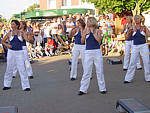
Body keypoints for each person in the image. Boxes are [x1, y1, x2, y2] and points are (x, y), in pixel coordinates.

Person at [78, 17, 107, 95]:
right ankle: (83, 89)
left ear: (93, 23)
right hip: (88, 52)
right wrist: (84, 35)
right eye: (87, 22)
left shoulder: (98, 31)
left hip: (97, 51)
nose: (87, 23)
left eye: (89, 22)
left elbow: (99, 41)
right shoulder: (85, 30)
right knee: (87, 71)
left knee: (99, 70)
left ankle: (102, 88)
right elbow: (82, 41)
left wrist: (92, 33)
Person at [2, 20, 31, 91]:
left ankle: (26, 86)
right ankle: (7, 85)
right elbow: (2, 41)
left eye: (13, 24)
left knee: (22, 69)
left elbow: (28, 40)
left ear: (17, 25)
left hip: (19, 52)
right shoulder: (9, 33)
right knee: (9, 68)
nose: (12, 26)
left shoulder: (21, 33)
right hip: (11, 52)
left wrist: (29, 35)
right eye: (11, 24)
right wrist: (7, 45)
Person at [124, 15, 150, 83]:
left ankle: (148, 77)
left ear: (141, 19)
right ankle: (128, 78)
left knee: (146, 61)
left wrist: (146, 29)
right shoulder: (132, 28)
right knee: (132, 62)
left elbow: (149, 35)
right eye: (135, 19)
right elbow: (126, 38)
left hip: (143, 46)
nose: (136, 20)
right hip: (135, 46)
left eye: (138, 18)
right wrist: (129, 31)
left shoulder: (144, 27)